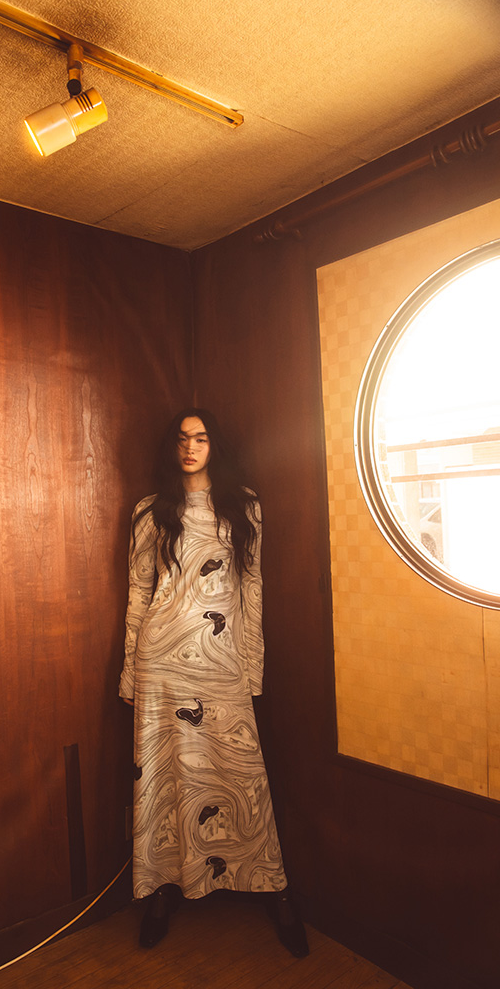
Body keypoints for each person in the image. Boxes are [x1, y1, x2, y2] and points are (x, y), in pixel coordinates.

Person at [119, 408, 308, 956]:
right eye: (182, 439)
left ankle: (272, 887)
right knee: (165, 776)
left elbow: (252, 588)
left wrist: (253, 666)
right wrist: (129, 670)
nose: (190, 447)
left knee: (241, 774)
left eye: (200, 438)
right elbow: (138, 591)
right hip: (161, 662)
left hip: (222, 661)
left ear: (213, 445)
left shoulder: (242, 506)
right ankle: (163, 889)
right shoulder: (150, 511)